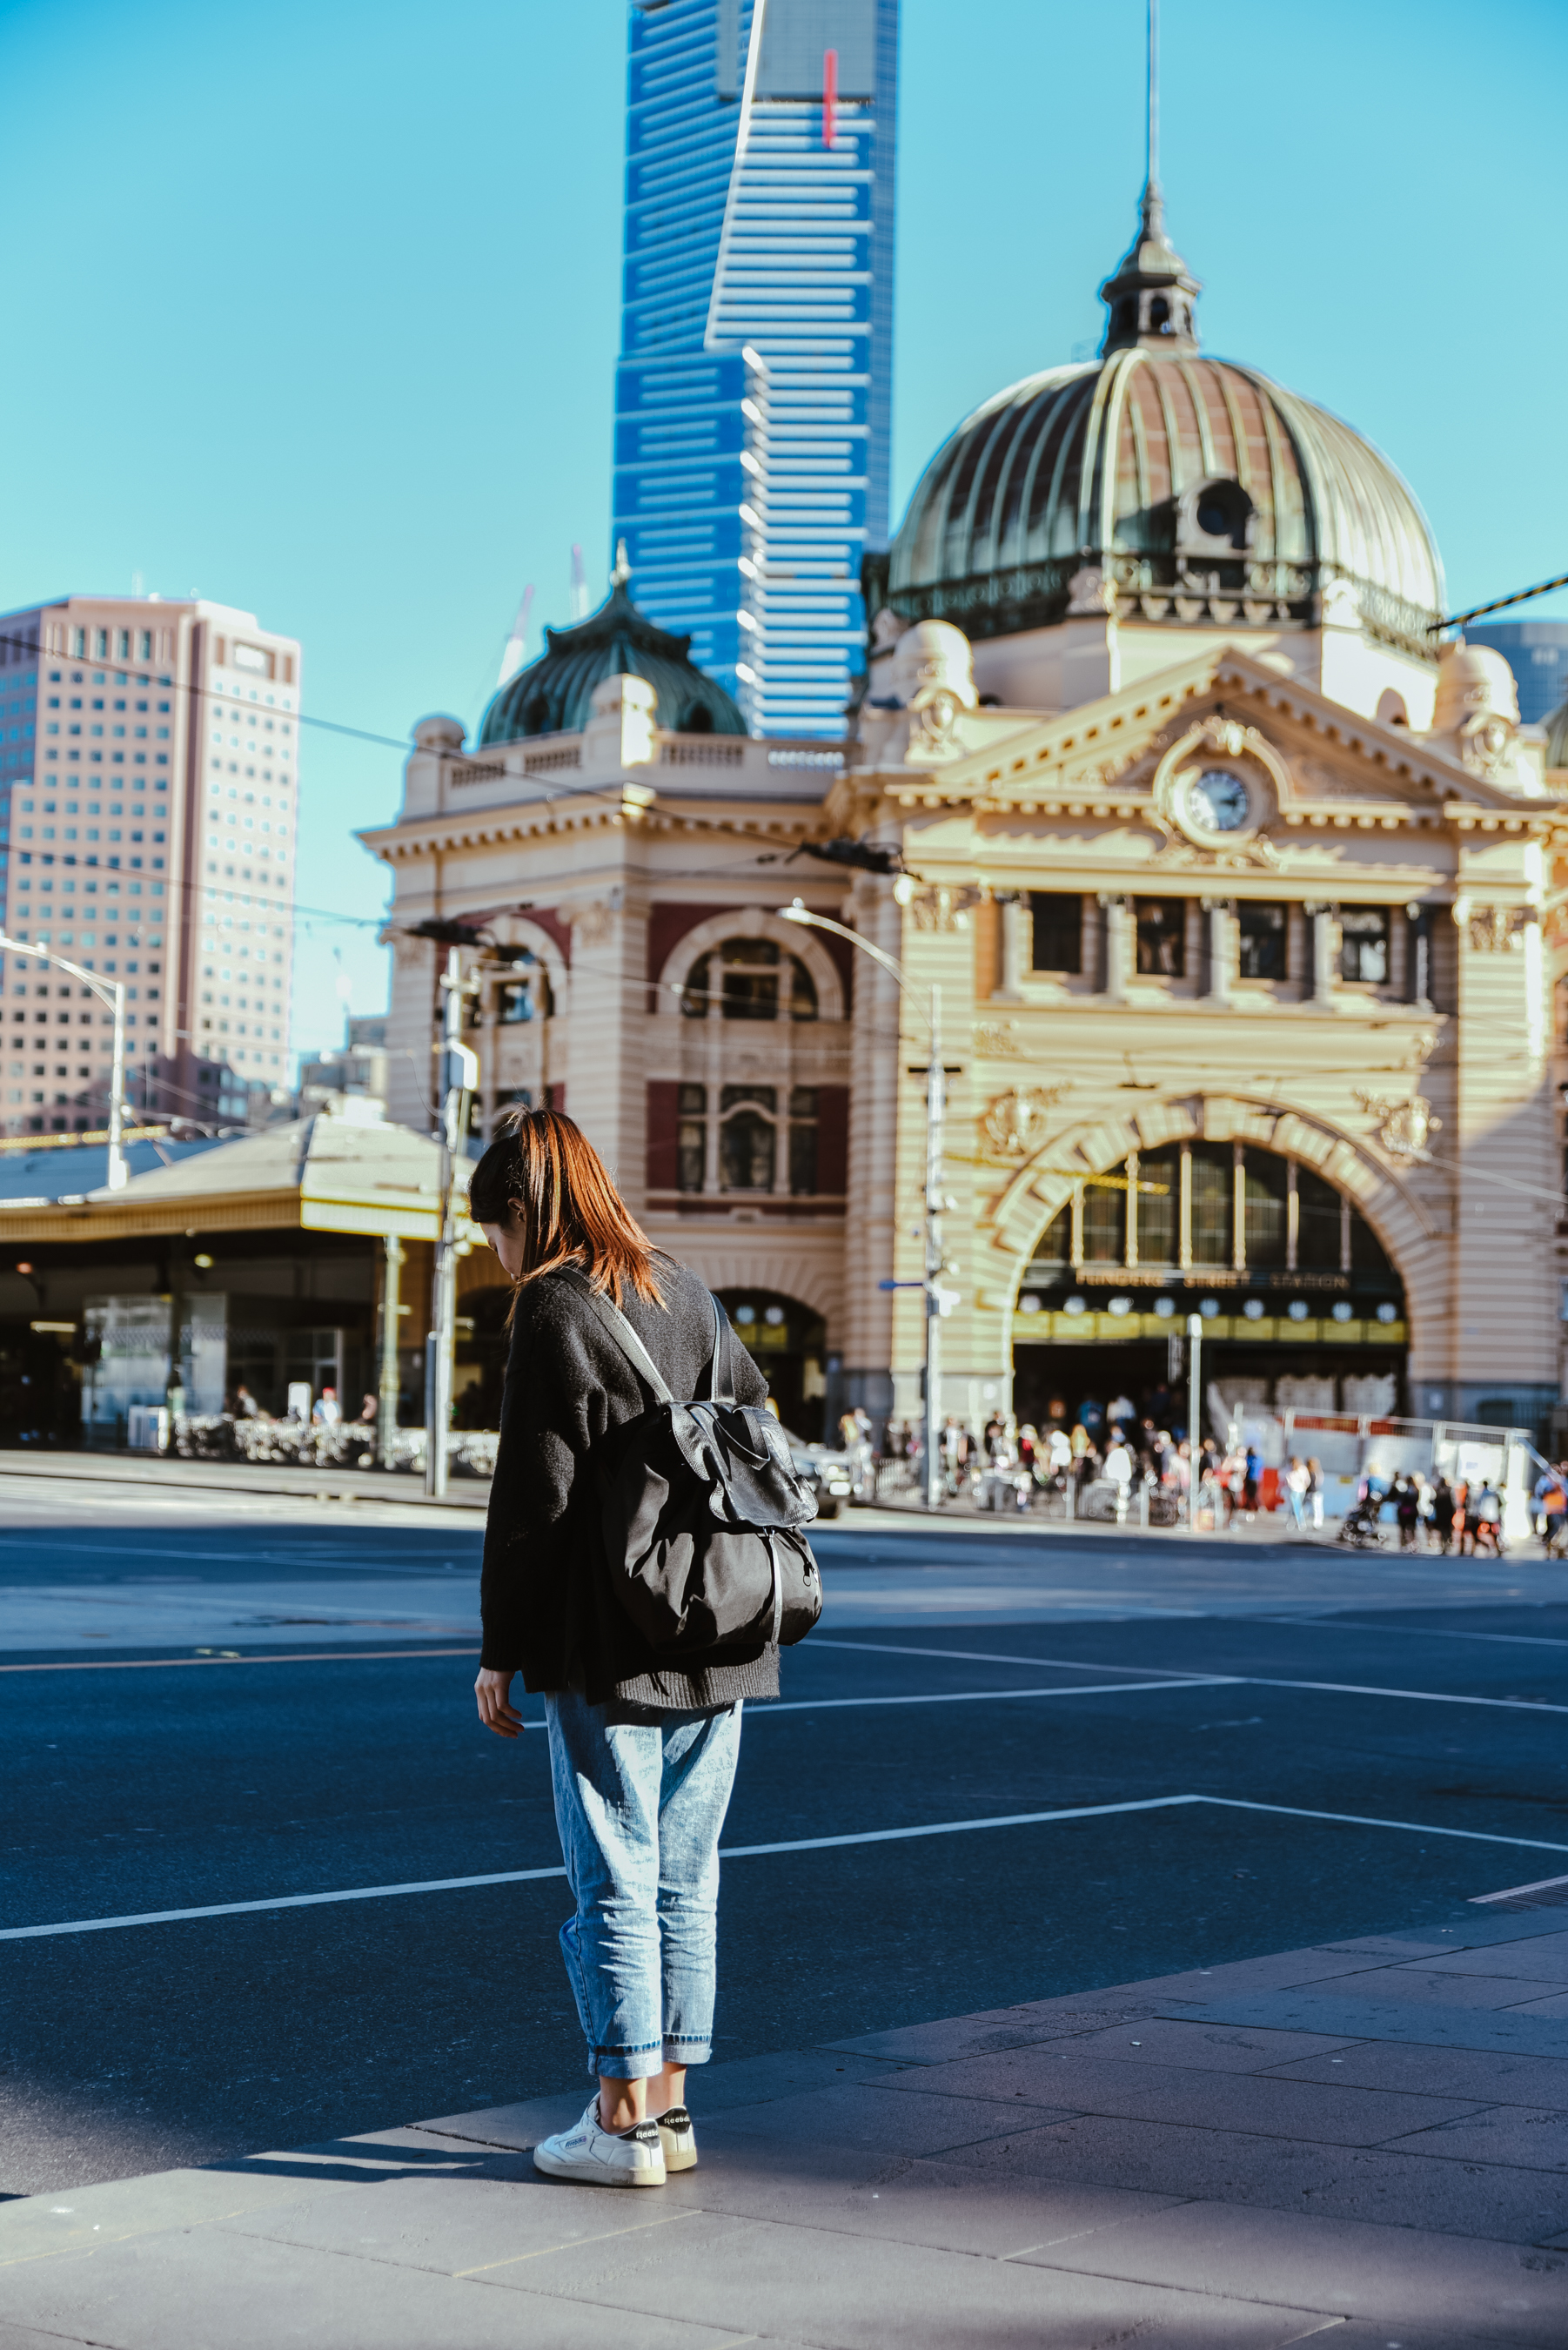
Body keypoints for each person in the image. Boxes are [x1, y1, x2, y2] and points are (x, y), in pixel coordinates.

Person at [470, 1108, 776, 2192]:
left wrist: (499, 1646)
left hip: (609, 1642)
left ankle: (617, 2122)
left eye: (493, 1234)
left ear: (522, 1212)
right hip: (719, 1624)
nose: (495, 1259)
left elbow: (531, 1501)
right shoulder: (683, 1288)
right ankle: (674, 2116)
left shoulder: (553, 1306)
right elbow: (753, 1421)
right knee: (686, 1879)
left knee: (615, 1875)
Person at [1285, 1455, 1309, 1530]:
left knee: (1296, 1507)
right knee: (1297, 1506)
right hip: (1298, 1490)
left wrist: (1305, 1486)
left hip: (1298, 1490)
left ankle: (1295, 1521)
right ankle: (1299, 1522)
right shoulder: (1295, 1470)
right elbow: (1307, 1480)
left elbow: (1307, 1479)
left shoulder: (1298, 1469)